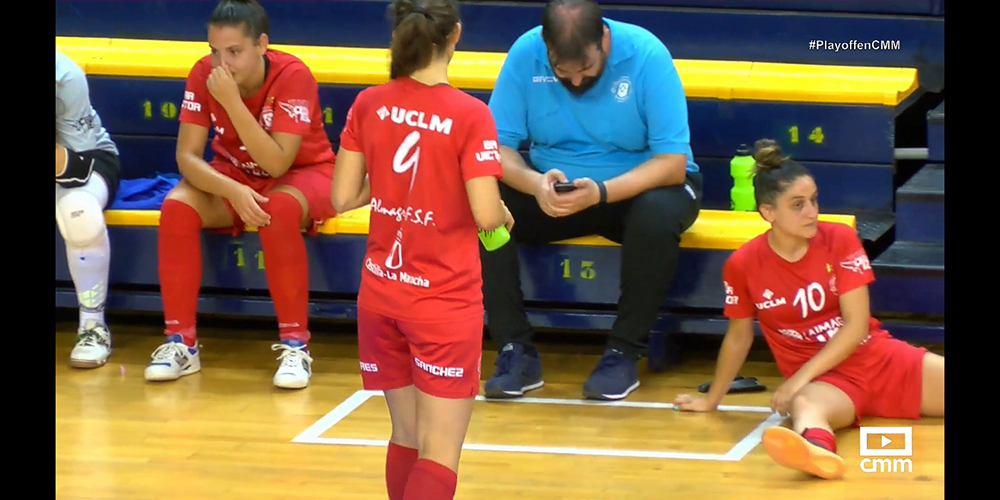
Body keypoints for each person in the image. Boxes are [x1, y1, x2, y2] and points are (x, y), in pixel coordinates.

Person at [672, 139, 945, 480]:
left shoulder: (840, 239)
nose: (812, 212)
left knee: (798, 393)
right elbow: (739, 337)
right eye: (798, 205)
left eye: (814, 200)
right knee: (805, 405)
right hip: (827, 384)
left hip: (880, 361)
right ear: (768, 212)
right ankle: (817, 453)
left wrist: (795, 381)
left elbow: (857, 326)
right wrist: (712, 399)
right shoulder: (742, 264)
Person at [330, 1, 513, 498]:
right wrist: (501, 213)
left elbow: (342, 197)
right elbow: (487, 215)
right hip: (442, 304)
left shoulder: (369, 103)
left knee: (406, 437)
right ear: (455, 35)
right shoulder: (471, 114)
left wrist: (398, 184)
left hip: (381, 296)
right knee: (439, 450)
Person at [481, 0, 702, 401]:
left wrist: (601, 192)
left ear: (604, 40)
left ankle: (623, 352)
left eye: (585, 68)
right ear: (545, 46)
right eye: (562, 71)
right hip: (557, 193)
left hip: (638, 191)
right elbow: (496, 149)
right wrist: (534, 184)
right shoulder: (525, 53)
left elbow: (671, 163)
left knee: (657, 214)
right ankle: (515, 349)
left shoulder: (647, 54)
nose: (576, 80)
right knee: (481, 201)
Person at [144, 0, 337, 389]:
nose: (222, 64)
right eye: (215, 51)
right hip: (235, 174)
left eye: (234, 52)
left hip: (305, 173)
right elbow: (186, 157)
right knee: (177, 208)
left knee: (277, 210)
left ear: (262, 45)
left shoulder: (293, 75)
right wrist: (233, 189)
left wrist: (231, 102)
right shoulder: (204, 72)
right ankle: (181, 341)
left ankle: (295, 345)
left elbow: (277, 164)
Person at [56, 50, 123, 369]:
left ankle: (92, 326)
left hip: (83, 162)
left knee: (79, 211)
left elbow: (74, 170)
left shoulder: (64, 76)